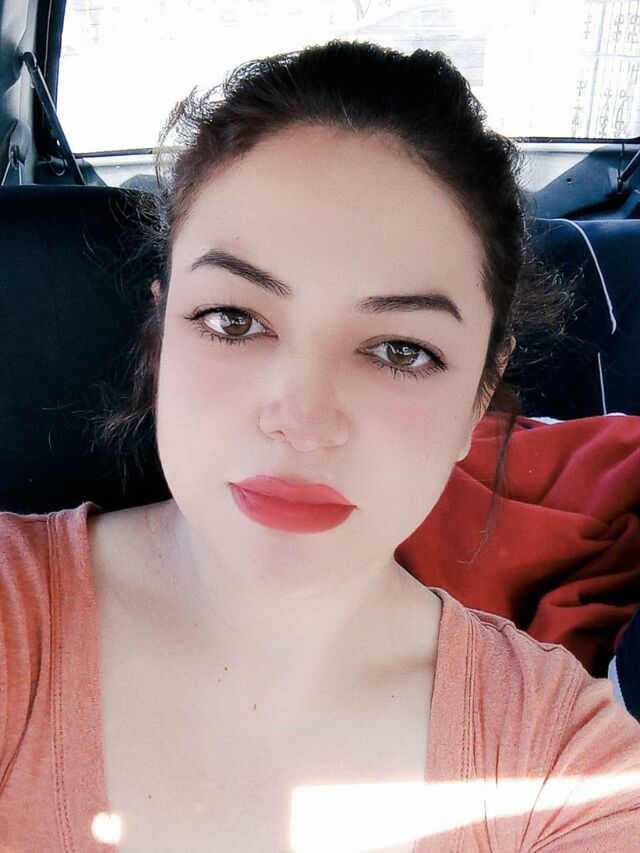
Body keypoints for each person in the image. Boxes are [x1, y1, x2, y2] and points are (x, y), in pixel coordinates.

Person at [1, 40, 639, 853]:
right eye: (234, 319)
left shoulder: (568, 765)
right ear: (161, 336)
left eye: (401, 350)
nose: (302, 421)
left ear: (480, 393)